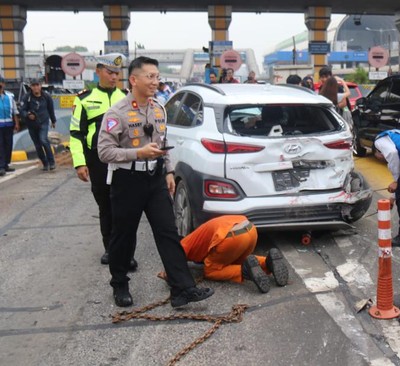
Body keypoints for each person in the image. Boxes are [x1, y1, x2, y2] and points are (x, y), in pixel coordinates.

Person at [97, 56, 214, 308]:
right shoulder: (116, 113)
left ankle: (182, 289)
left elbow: (163, 145)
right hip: (127, 180)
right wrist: (137, 153)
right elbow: (104, 152)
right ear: (133, 79)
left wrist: (169, 172)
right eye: (150, 76)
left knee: (168, 232)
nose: (155, 81)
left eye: (157, 76)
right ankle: (119, 283)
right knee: (123, 235)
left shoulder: (159, 108)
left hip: (156, 178)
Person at [69, 53, 137, 269]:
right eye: (109, 72)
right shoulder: (84, 99)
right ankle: (111, 249)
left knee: (126, 206)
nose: (114, 77)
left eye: (117, 73)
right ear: (98, 71)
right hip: (97, 161)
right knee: (106, 205)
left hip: (124, 159)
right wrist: (80, 163)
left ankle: (128, 252)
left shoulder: (127, 97)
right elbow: (76, 134)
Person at [159, 215, 289, 294]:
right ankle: (268, 262)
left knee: (210, 271)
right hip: (250, 230)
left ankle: (244, 271)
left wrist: (167, 273)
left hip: (231, 236)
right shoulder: (196, 236)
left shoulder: (183, 244)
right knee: (237, 260)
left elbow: (174, 260)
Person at [20, 79, 56, 171]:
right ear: (31, 87)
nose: (36, 87)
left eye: (37, 85)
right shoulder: (26, 97)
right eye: (33, 85)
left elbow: (51, 109)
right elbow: (22, 110)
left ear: (40, 86)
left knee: (43, 140)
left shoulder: (46, 97)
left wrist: (53, 120)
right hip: (32, 124)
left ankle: (51, 162)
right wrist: (28, 115)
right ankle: (45, 163)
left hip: (43, 122)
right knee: (37, 145)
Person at [0, 75, 20, 176]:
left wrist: (16, 123)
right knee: (1, 146)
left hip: (8, 125)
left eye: (1, 83)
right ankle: (1, 166)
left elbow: (14, 111)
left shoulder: (10, 96)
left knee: (8, 146)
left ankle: (6, 164)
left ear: (3, 84)